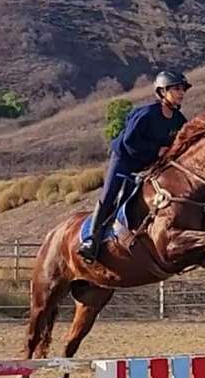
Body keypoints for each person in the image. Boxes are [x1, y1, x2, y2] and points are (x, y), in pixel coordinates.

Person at [78, 70, 192, 262]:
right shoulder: (146, 114)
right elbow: (130, 142)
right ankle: (90, 241)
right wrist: (156, 150)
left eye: (183, 89)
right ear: (162, 92)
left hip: (149, 164)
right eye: (177, 89)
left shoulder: (179, 121)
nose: (181, 93)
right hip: (125, 159)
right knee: (109, 196)